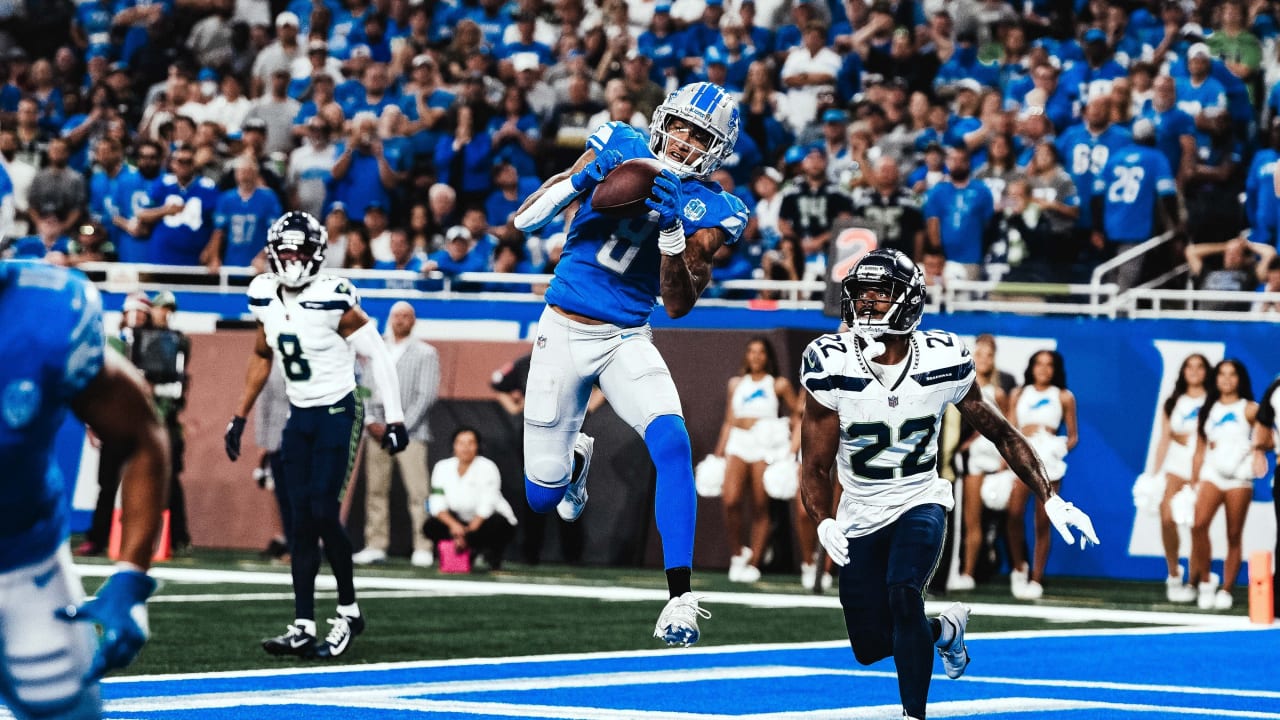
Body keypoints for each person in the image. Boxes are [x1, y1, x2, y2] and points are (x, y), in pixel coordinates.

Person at [798, 248, 1099, 720]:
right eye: (862, 293)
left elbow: (1001, 431)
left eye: (881, 293)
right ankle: (944, 630)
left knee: (903, 593)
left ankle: (912, 715)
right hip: (860, 507)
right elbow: (814, 465)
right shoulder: (830, 361)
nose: (868, 302)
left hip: (921, 498)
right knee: (871, 645)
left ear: (910, 300)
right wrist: (823, 520)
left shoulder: (942, 358)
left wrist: (1051, 497)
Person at [512, 81, 749, 646]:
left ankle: (680, 600)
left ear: (716, 149)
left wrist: (672, 235)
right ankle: (575, 461)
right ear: (662, 120)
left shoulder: (718, 207)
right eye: (681, 127)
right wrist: (584, 177)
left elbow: (678, 303)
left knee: (673, 444)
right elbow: (526, 220)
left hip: (627, 336)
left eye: (701, 135)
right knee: (542, 498)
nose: (685, 141)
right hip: (562, 326)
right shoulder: (618, 140)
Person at [223, 211, 411, 659]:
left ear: (316, 254)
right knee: (300, 521)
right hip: (299, 415)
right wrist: (238, 416)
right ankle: (303, 623)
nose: (291, 258)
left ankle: (348, 610)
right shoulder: (263, 293)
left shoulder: (333, 296)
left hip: (338, 411)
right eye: (284, 249)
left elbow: (377, 355)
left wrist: (397, 417)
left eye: (298, 249)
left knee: (324, 511)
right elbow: (260, 354)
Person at [0, 260, 169, 718]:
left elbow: (140, 436)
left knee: (65, 709)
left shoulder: (48, 310)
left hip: (23, 567)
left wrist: (132, 576)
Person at [353, 301, 441, 568]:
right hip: (376, 430)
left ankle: (423, 545)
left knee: (418, 491)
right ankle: (375, 543)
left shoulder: (426, 353)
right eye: (396, 315)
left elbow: (425, 395)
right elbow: (365, 388)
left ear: (413, 321)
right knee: (376, 491)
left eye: (406, 316)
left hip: (410, 432)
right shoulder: (375, 348)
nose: (400, 320)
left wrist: (399, 425)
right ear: (390, 319)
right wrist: (370, 420)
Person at [712, 337, 801, 583]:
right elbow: (729, 420)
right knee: (730, 500)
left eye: (761, 352)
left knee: (761, 505)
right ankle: (739, 552)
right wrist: (718, 453)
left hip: (765, 445)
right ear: (746, 356)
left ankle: (755, 562)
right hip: (738, 442)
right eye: (751, 351)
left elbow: (797, 414)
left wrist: (790, 446)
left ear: (768, 357)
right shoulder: (736, 384)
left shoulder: (779, 384)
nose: (756, 356)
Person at [1005, 350, 1079, 600]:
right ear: (1032, 367)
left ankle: (1037, 578)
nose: (1044, 369)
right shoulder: (1018, 394)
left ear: (1055, 369)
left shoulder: (1064, 396)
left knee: (1043, 520)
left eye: (1049, 365)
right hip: (1023, 458)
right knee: (1013, 513)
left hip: (1049, 462)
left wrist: (1058, 448)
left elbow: (1073, 436)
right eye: (1039, 364)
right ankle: (1018, 568)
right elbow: (1009, 429)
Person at [1188, 358, 1260, 611]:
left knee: (1233, 534)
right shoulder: (1207, 409)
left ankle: (1227, 588)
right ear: (1215, 378)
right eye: (1221, 374)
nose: (1226, 379)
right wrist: (1194, 480)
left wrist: (1251, 449)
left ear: (1240, 379)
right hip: (1212, 474)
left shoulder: (1249, 408)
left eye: (1232, 374)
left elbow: (1269, 438)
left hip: (1239, 477)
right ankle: (1206, 581)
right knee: (1198, 525)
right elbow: (1199, 450)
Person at [951, 333, 1011, 591]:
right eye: (979, 353)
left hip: (994, 459)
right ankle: (967, 572)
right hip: (973, 459)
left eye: (989, 355)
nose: (983, 359)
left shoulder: (999, 392)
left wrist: (1005, 461)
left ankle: (984, 565)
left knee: (998, 518)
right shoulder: (963, 387)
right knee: (970, 519)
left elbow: (1009, 429)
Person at [1149, 353, 1209, 602]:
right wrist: (1154, 473)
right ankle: (1174, 572)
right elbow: (1164, 437)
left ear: (1207, 372)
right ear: (1183, 372)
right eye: (1189, 367)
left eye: (1199, 367)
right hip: (1175, 466)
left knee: (1197, 525)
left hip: (1204, 468)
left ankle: (1196, 579)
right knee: (1167, 518)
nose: (1194, 371)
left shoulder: (1212, 400)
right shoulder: (1173, 401)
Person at [423, 426, 518, 570]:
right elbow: (437, 503)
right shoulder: (442, 467)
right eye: (461, 443)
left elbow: (488, 504)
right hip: (456, 523)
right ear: (454, 446)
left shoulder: (488, 467)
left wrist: (467, 532)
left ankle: (490, 556)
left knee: (500, 524)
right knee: (431, 525)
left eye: (470, 443)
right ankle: (450, 554)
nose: (465, 448)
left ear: (477, 446)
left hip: (483, 523)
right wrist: (454, 527)